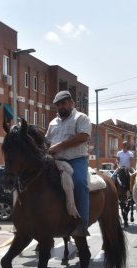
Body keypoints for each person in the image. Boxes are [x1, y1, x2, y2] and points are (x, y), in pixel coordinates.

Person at [45, 90, 91, 236]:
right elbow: (47, 141)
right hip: (56, 161)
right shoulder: (53, 123)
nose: (61, 107)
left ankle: (83, 223)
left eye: (63, 103)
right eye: (58, 105)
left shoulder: (81, 118)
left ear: (71, 102)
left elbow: (83, 136)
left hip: (76, 160)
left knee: (79, 183)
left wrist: (59, 146)